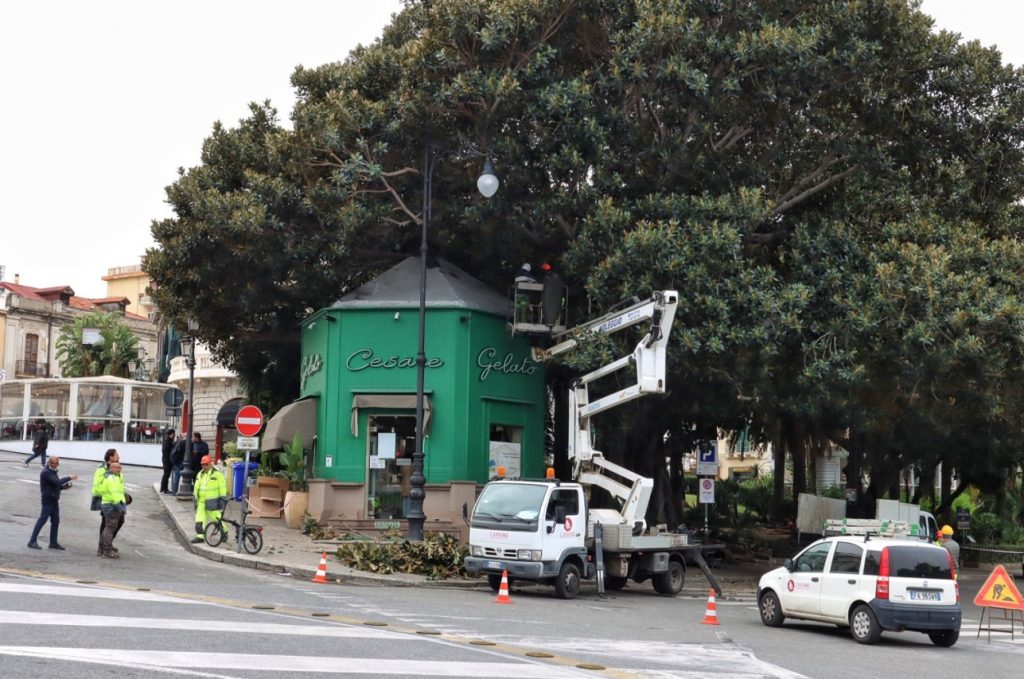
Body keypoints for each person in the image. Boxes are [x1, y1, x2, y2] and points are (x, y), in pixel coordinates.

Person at [27, 456, 78, 550]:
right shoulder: (46, 472)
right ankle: (32, 541)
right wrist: (69, 477)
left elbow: (55, 485)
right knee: (42, 520)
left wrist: (64, 487)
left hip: (54, 499)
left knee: (55, 521)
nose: (54, 465)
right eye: (53, 463)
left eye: (56, 463)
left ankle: (53, 543)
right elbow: (56, 482)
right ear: (49, 462)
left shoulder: (53, 472)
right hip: (48, 500)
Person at [92, 449, 124, 556]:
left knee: (119, 521)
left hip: (114, 500)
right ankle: (102, 547)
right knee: (107, 523)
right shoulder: (102, 469)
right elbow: (97, 485)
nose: (118, 456)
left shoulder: (116, 470)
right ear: (110, 457)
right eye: (116, 455)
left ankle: (107, 542)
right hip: (105, 500)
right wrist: (107, 495)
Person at [192, 455, 226, 544]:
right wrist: (195, 498)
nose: (204, 467)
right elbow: (196, 487)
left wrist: (222, 500)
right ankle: (200, 536)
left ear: (210, 464)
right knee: (199, 519)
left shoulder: (217, 474)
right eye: (202, 465)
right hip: (201, 501)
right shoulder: (200, 474)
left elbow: (222, 488)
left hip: (212, 501)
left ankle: (224, 532)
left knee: (216, 517)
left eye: (206, 464)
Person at [97, 460, 127, 558]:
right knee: (110, 528)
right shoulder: (111, 479)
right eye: (117, 467)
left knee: (108, 527)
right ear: (111, 468)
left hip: (109, 504)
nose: (119, 469)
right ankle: (107, 551)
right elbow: (114, 494)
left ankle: (102, 548)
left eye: (120, 467)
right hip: (112, 505)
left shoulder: (115, 477)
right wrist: (120, 507)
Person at [159, 429, 176, 494]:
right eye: (174, 433)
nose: (174, 435)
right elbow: (164, 450)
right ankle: (164, 489)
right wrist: (170, 456)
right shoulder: (167, 441)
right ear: (171, 434)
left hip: (167, 460)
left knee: (167, 475)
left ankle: (164, 489)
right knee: (166, 474)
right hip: (167, 461)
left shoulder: (170, 441)